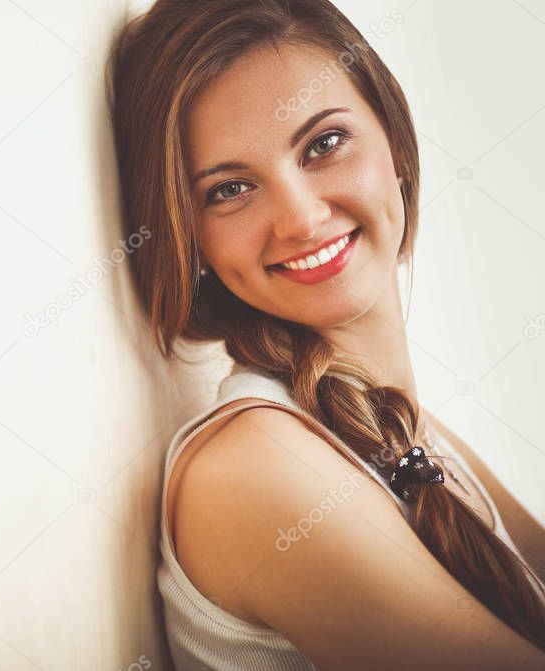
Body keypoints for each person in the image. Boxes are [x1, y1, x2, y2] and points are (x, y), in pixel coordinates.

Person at [105, 0, 545, 668]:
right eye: (229, 189)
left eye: (323, 145)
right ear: (184, 231)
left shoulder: (394, 424)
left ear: (394, 138)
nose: (302, 219)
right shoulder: (252, 465)